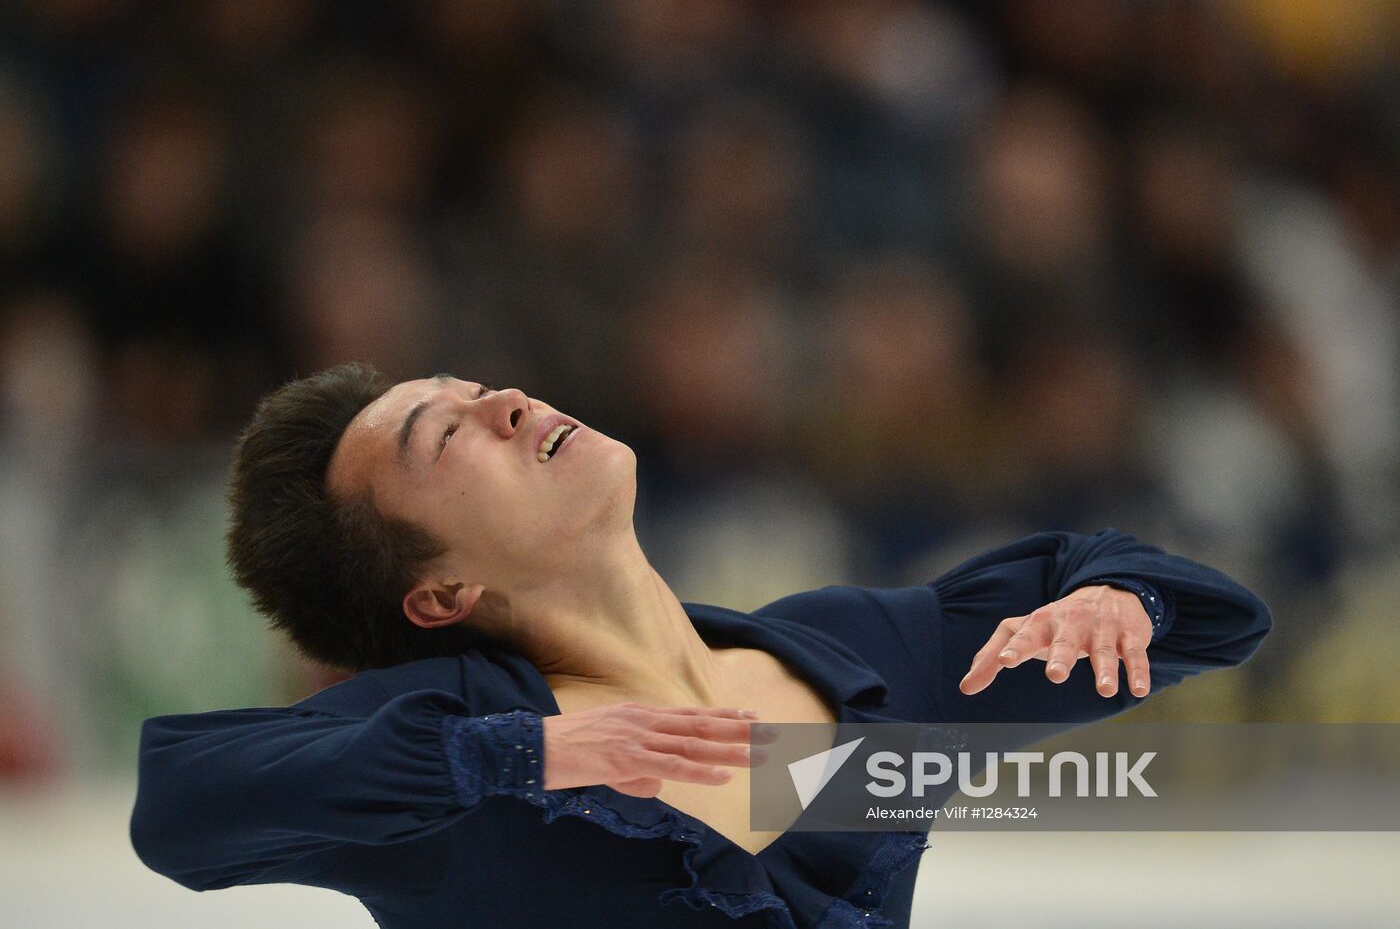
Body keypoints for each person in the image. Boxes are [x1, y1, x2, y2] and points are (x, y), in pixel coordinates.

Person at [129, 363, 1271, 928]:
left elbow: (1219, 617)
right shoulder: (456, 736)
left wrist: (1122, 600)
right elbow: (180, 805)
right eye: (450, 435)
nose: (510, 402)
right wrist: (516, 757)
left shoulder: (854, 654)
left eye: (483, 388)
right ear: (440, 590)